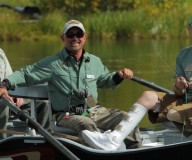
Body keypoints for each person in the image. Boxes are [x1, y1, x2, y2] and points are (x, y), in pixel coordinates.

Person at [81, 10, 192, 150]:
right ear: (189, 29)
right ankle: (114, 138)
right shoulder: (183, 54)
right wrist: (179, 86)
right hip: (187, 99)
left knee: (174, 113)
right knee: (148, 96)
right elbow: (178, 92)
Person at [0, 20, 141, 149]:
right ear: (63, 38)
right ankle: (95, 153)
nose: (75, 38)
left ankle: (136, 152)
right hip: (66, 115)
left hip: (94, 111)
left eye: (79, 34)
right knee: (85, 123)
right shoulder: (52, 63)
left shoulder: (95, 61)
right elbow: (26, 73)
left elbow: (105, 81)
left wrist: (119, 75)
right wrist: (4, 84)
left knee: (127, 119)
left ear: (84, 37)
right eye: (70, 34)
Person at [0, 48, 49, 139]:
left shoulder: (0, 53)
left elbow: (10, 78)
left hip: (9, 96)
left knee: (44, 104)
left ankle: (44, 140)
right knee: (4, 104)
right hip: (3, 101)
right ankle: (2, 142)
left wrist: (17, 93)